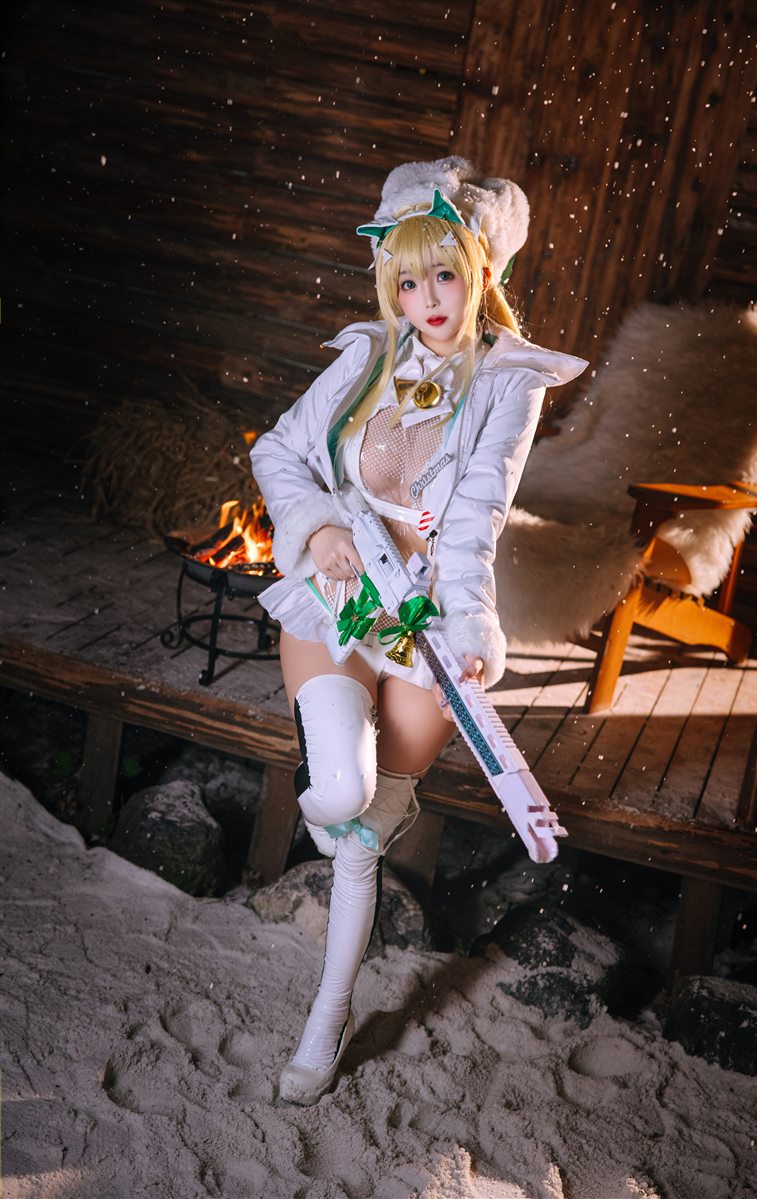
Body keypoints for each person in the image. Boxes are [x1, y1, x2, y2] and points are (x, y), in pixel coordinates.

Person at [251, 156, 587, 1105]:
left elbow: (479, 516)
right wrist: (317, 528)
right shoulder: (367, 356)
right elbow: (278, 451)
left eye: (444, 274)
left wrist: (469, 625)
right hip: (336, 601)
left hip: (424, 621)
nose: (427, 300)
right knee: (340, 793)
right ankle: (348, 800)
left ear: (482, 270)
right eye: (407, 280)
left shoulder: (510, 380)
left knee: (360, 844)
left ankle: (327, 1020)